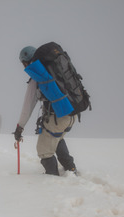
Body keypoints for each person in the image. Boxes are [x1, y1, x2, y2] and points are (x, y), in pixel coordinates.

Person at [13, 45, 77, 176]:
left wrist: (20, 128)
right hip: (72, 112)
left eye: (23, 64)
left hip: (57, 117)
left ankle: (52, 177)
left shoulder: (37, 77)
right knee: (56, 139)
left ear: (26, 62)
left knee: (44, 150)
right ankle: (71, 170)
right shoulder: (55, 70)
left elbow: (28, 106)